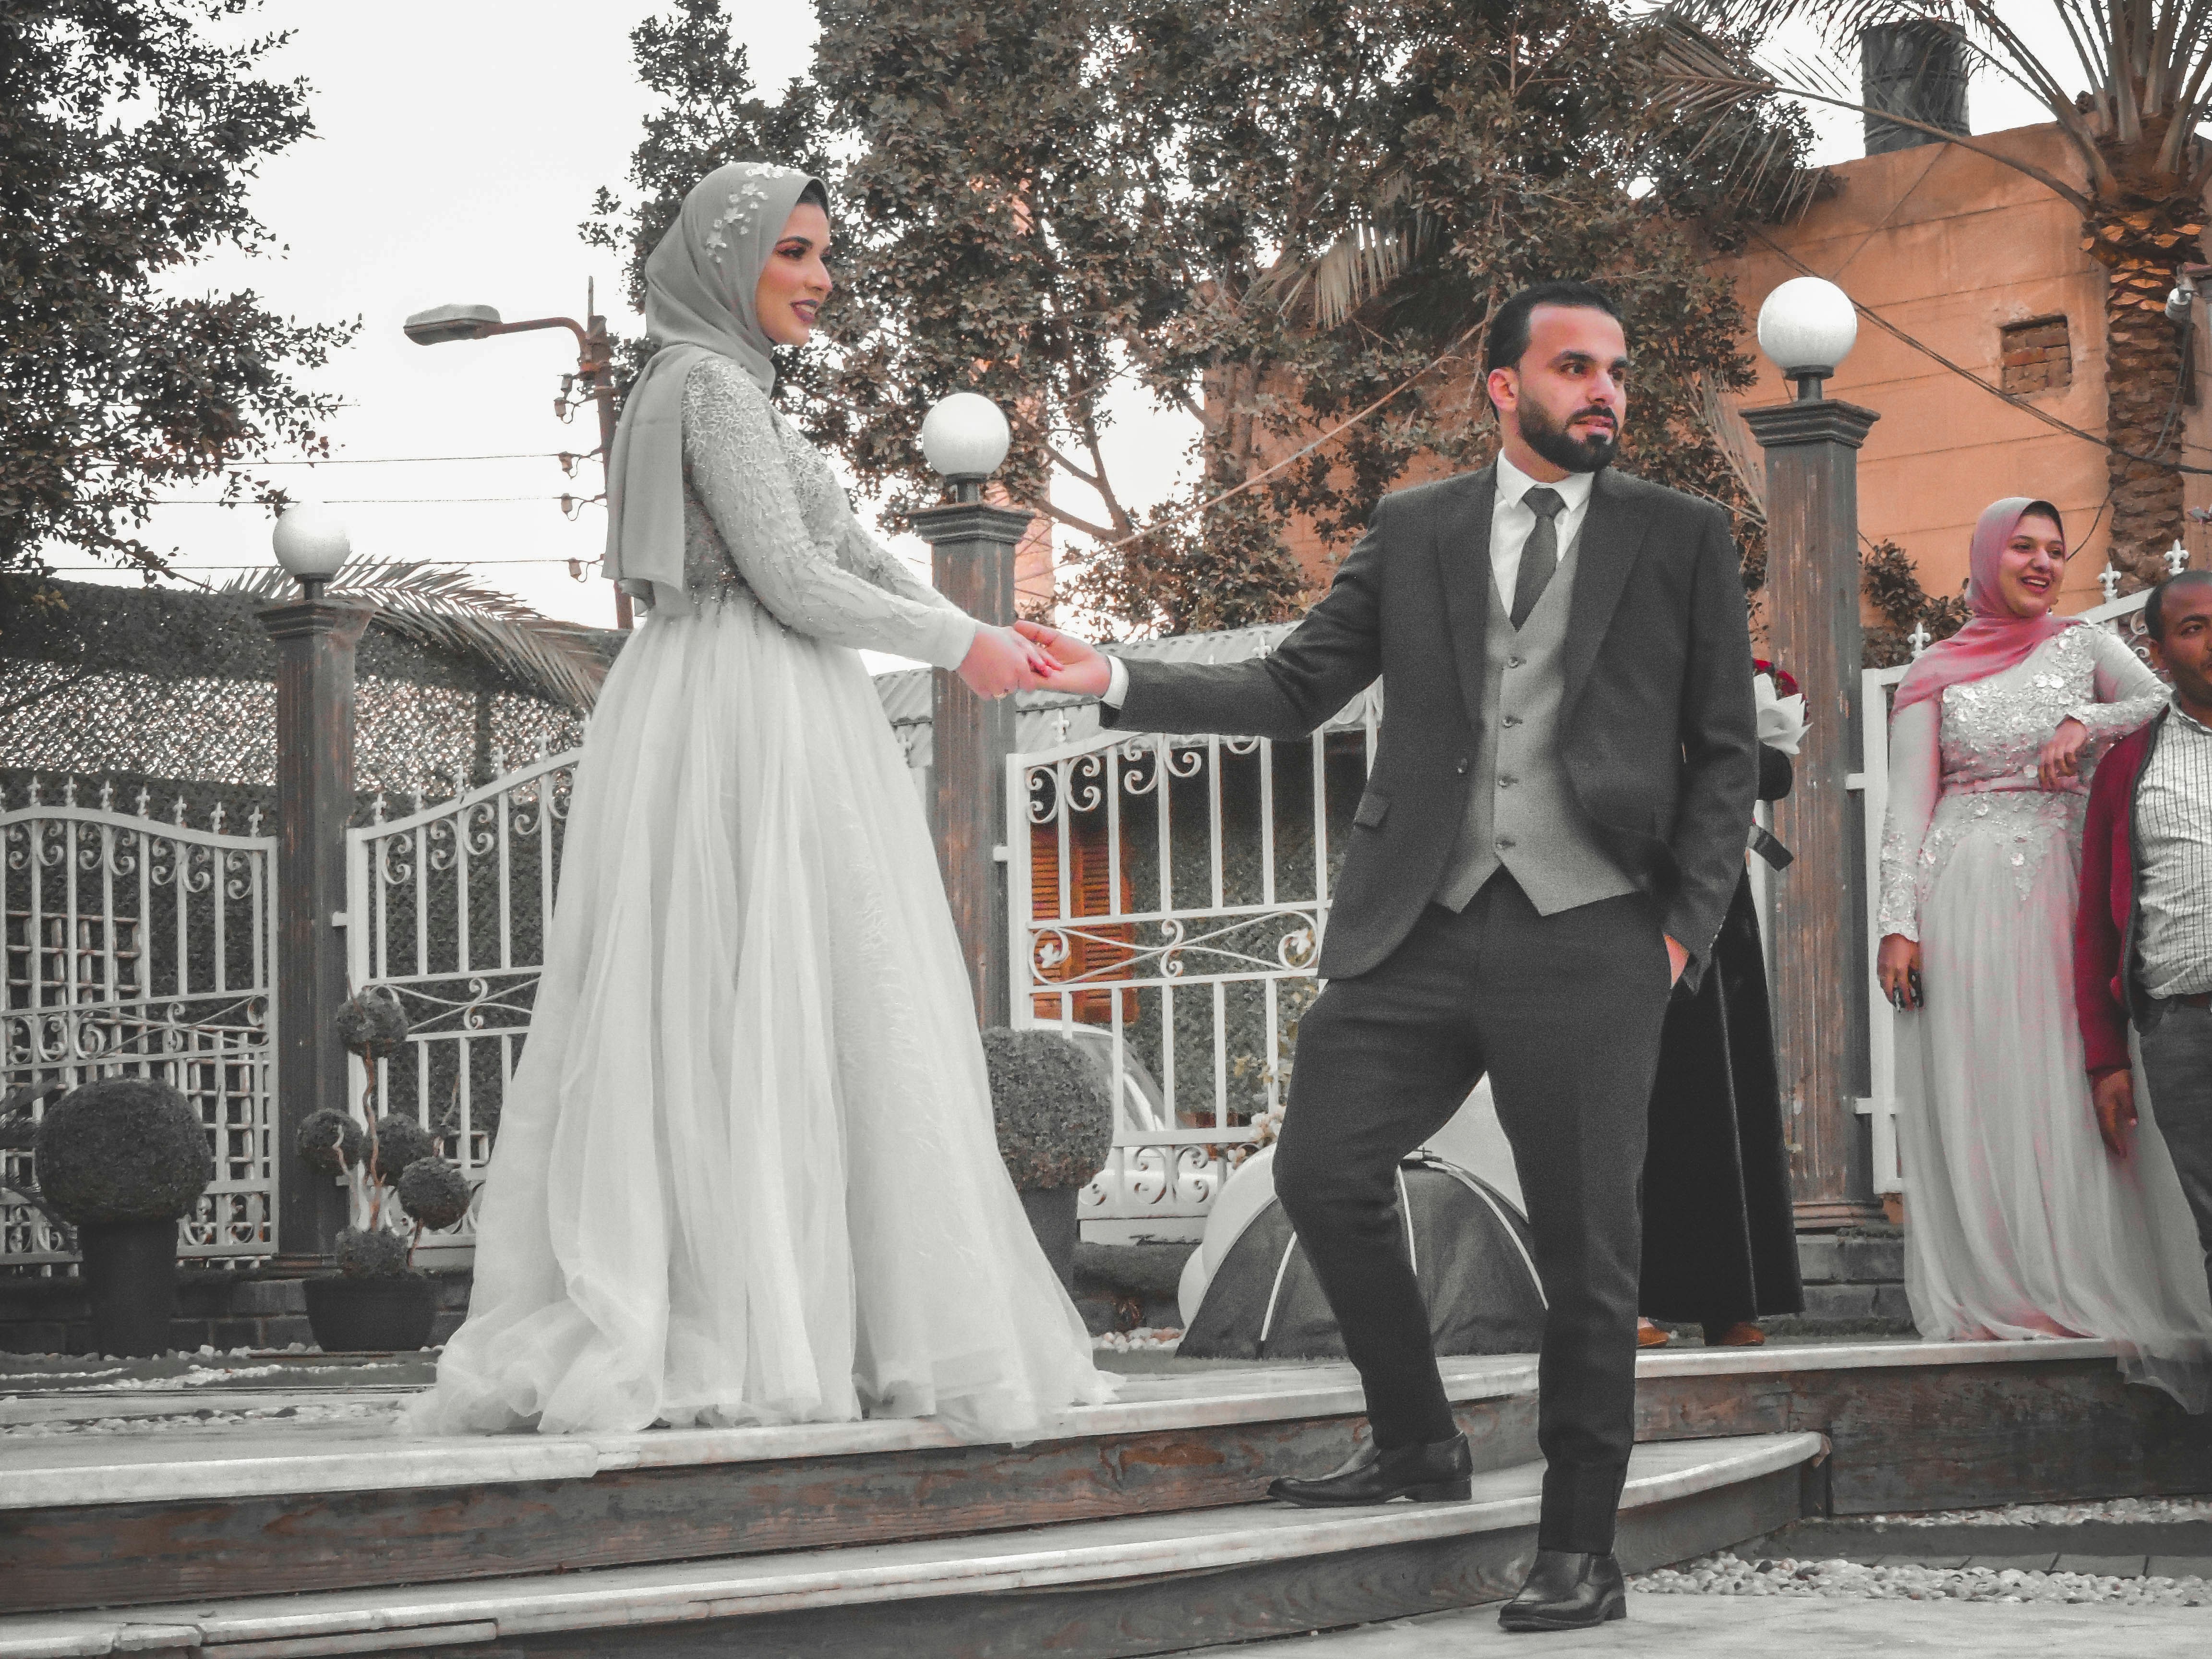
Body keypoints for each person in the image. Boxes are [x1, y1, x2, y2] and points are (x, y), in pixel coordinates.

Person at [1020, 281, 1758, 1632]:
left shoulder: (1680, 534)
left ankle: (1579, 1545)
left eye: (1618, 373)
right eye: (1577, 367)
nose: (1606, 391)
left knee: (1595, 1242)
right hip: (1415, 919)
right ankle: (1420, 1441)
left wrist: (1676, 932)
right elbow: (1299, 683)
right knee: (1321, 1170)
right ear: (1504, 386)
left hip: (1594, 929)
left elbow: (1724, 750)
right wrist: (1113, 681)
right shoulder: (1419, 525)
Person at [409, 163, 1108, 1440]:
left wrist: (980, 623)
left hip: (772, 702)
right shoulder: (708, 385)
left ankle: (806, 1316)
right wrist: (962, 650)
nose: (820, 278)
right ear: (731, 262)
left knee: (810, 1005)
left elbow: (847, 553)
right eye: (795, 252)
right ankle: (732, 1322)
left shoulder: (741, 392)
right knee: (741, 998)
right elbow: (791, 580)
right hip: (745, 705)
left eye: (823, 254)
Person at [1876, 499, 2212, 1412]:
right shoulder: (1932, 672)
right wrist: (1896, 923)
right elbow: (1905, 808)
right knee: (1985, 1082)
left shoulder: (2079, 646)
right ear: (1985, 555)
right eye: (2022, 547)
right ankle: (1999, 1288)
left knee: (2070, 1078)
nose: (2040, 562)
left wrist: (2081, 724)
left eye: (2055, 550)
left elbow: (2152, 698)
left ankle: (2081, 1276)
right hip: (1966, 896)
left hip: (2064, 885)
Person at [1638, 734, 1804, 1350]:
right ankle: (1628, 1299)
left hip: (1712, 894)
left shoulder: (1705, 671)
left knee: (1719, 1092)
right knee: (1632, 1094)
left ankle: (1728, 1297)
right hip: (1622, 876)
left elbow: (1773, 771)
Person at [2076, 568, 2212, 1318]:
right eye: (2192, 628)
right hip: (2187, 1029)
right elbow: (2097, 922)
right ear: (2158, 653)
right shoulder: (2130, 765)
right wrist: (2105, 1058)